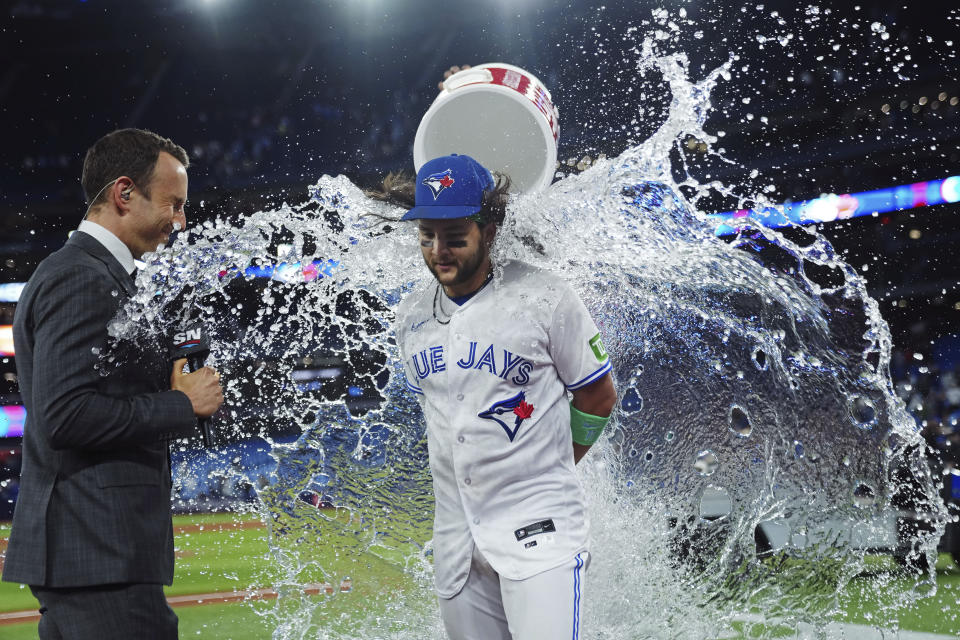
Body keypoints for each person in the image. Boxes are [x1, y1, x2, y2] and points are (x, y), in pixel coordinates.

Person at [1, 128, 225, 639]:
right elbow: (65, 416)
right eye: (173, 203)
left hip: (97, 553)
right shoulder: (82, 275)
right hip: (97, 551)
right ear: (124, 193)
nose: (180, 221)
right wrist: (179, 404)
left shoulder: (98, 274)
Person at [386, 154, 617, 640]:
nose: (438, 250)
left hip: (541, 527)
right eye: (427, 235)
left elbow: (598, 396)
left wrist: (556, 463)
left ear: (489, 230)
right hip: (457, 545)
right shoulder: (411, 316)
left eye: (454, 237)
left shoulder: (545, 295)